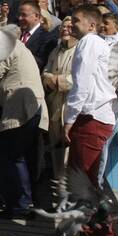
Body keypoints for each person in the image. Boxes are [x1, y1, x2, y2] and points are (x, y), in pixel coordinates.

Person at [64, 4, 117, 236]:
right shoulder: (97, 44)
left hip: (91, 118)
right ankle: (90, 233)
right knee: (85, 181)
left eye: (76, 20)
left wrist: (69, 120)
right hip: (97, 117)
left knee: (86, 185)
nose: (71, 24)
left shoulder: (88, 44)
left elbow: (81, 86)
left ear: (92, 25)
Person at [0, 41, 48, 218]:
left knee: (10, 157)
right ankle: (25, 202)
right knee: (22, 157)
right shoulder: (18, 47)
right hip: (32, 107)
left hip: (20, 109)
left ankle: (20, 205)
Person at [41, 17, 76, 186]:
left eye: (70, 27)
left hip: (69, 105)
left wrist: (56, 81)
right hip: (54, 104)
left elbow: (77, 78)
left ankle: (68, 189)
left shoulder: (79, 50)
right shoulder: (55, 51)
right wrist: (51, 79)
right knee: (56, 147)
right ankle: (58, 181)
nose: (66, 30)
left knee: (69, 151)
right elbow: (46, 72)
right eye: (63, 26)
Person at [18, 1, 58, 73]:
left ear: (36, 16)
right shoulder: (16, 35)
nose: (20, 18)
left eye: (24, 15)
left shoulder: (47, 37)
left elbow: (42, 62)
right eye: (19, 15)